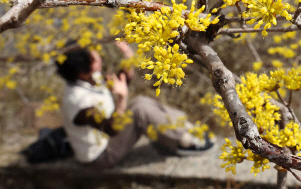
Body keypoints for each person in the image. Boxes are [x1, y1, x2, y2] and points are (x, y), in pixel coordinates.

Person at [56, 41, 214, 169]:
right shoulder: (77, 100)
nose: (97, 55)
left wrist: (128, 56)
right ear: (83, 70)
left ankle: (185, 129)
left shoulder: (89, 78)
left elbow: (122, 79)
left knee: (140, 101)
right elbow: (111, 128)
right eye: (93, 57)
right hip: (100, 156)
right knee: (139, 109)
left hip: (109, 138)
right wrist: (122, 99)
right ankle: (184, 142)